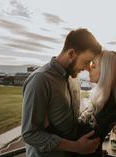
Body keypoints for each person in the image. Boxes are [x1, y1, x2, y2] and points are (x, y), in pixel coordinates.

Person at [21, 28, 102, 157]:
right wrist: (77, 147)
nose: (87, 68)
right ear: (71, 54)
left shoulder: (74, 78)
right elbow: (30, 134)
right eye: (86, 62)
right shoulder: (40, 80)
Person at [77, 50, 116, 156]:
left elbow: (87, 143)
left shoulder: (109, 107)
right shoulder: (106, 101)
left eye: (93, 66)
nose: (88, 68)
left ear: (106, 73)